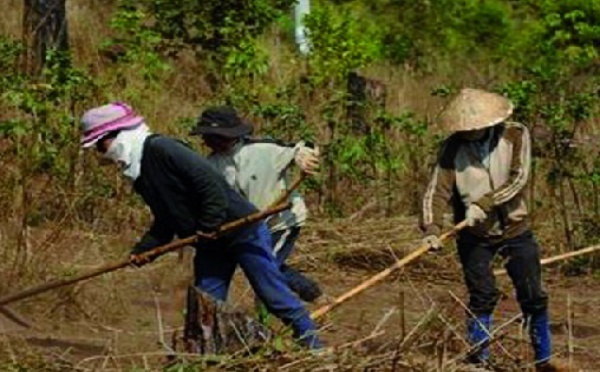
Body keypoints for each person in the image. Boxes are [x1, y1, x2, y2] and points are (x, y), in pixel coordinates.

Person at [80, 102, 323, 349]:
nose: (101, 151)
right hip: (210, 244)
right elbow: (166, 220)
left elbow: (212, 189)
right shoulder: (142, 175)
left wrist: (208, 225)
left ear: (117, 135)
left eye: (101, 144)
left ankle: (316, 350)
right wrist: (144, 250)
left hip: (241, 230)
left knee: (273, 297)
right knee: (205, 303)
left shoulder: (164, 149)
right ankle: (207, 359)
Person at [420, 89, 563, 371]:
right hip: (475, 235)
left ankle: (543, 359)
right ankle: (478, 361)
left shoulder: (515, 134)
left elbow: (519, 178)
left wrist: (485, 202)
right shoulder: (451, 148)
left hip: (515, 228)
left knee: (533, 295)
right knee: (481, 295)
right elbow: (436, 190)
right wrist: (432, 227)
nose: (470, 132)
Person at [189, 106, 323, 303]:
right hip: (248, 228)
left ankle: (285, 315)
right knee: (266, 267)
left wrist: (303, 156)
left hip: (280, 222)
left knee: (267, 273)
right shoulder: (211, 164)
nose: (205, 141)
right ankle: (311, 293)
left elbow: (301, 147)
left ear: (223, 135)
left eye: (210, 136)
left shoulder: (263, 149)